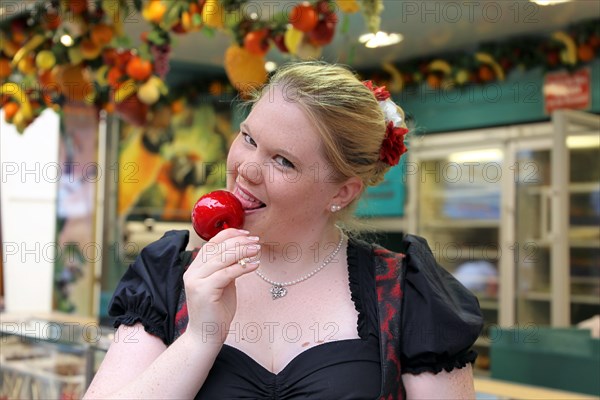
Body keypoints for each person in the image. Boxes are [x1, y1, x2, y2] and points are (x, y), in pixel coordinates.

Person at [84, 61, 483, 399]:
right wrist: (200, 338)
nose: (245, 168)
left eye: (283, 161)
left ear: (342, 192)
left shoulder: (407, 293)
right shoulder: (168, 277)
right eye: (248, 138)